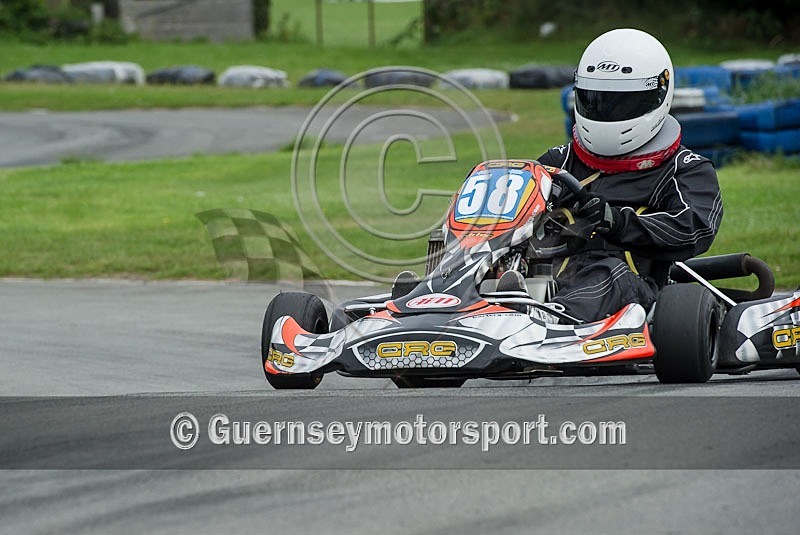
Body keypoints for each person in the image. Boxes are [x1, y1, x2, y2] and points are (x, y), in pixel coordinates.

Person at [535, 28, 723, 322]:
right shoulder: (559, 161)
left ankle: (549, 320)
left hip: (629, 285)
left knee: (607, 273)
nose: (606, 112)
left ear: (657, 95)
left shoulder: (683, 168)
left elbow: (694, 228)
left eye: (621, 103)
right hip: (547, 274)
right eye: (596, 100)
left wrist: (617, 221)